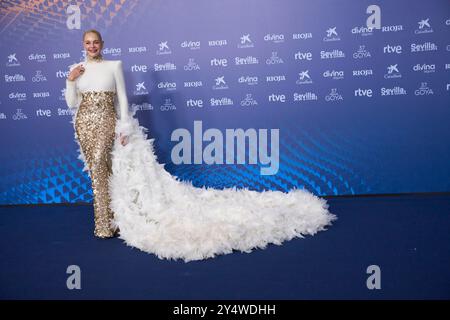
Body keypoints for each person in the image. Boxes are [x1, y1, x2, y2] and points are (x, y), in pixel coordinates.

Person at [65, 29, 336, 262]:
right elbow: (71, 103)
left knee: (104, 168)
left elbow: (122, 99)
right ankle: (109, 220)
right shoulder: (77, 70)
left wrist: (124, 126)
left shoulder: (114, 66)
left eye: (96, 42)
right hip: (85, 125)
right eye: (87, 43)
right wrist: (70, 80)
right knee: (98, 171)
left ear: (102, 44)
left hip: (108, 123)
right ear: (83, 45)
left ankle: (104, 225)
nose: (92, 46)